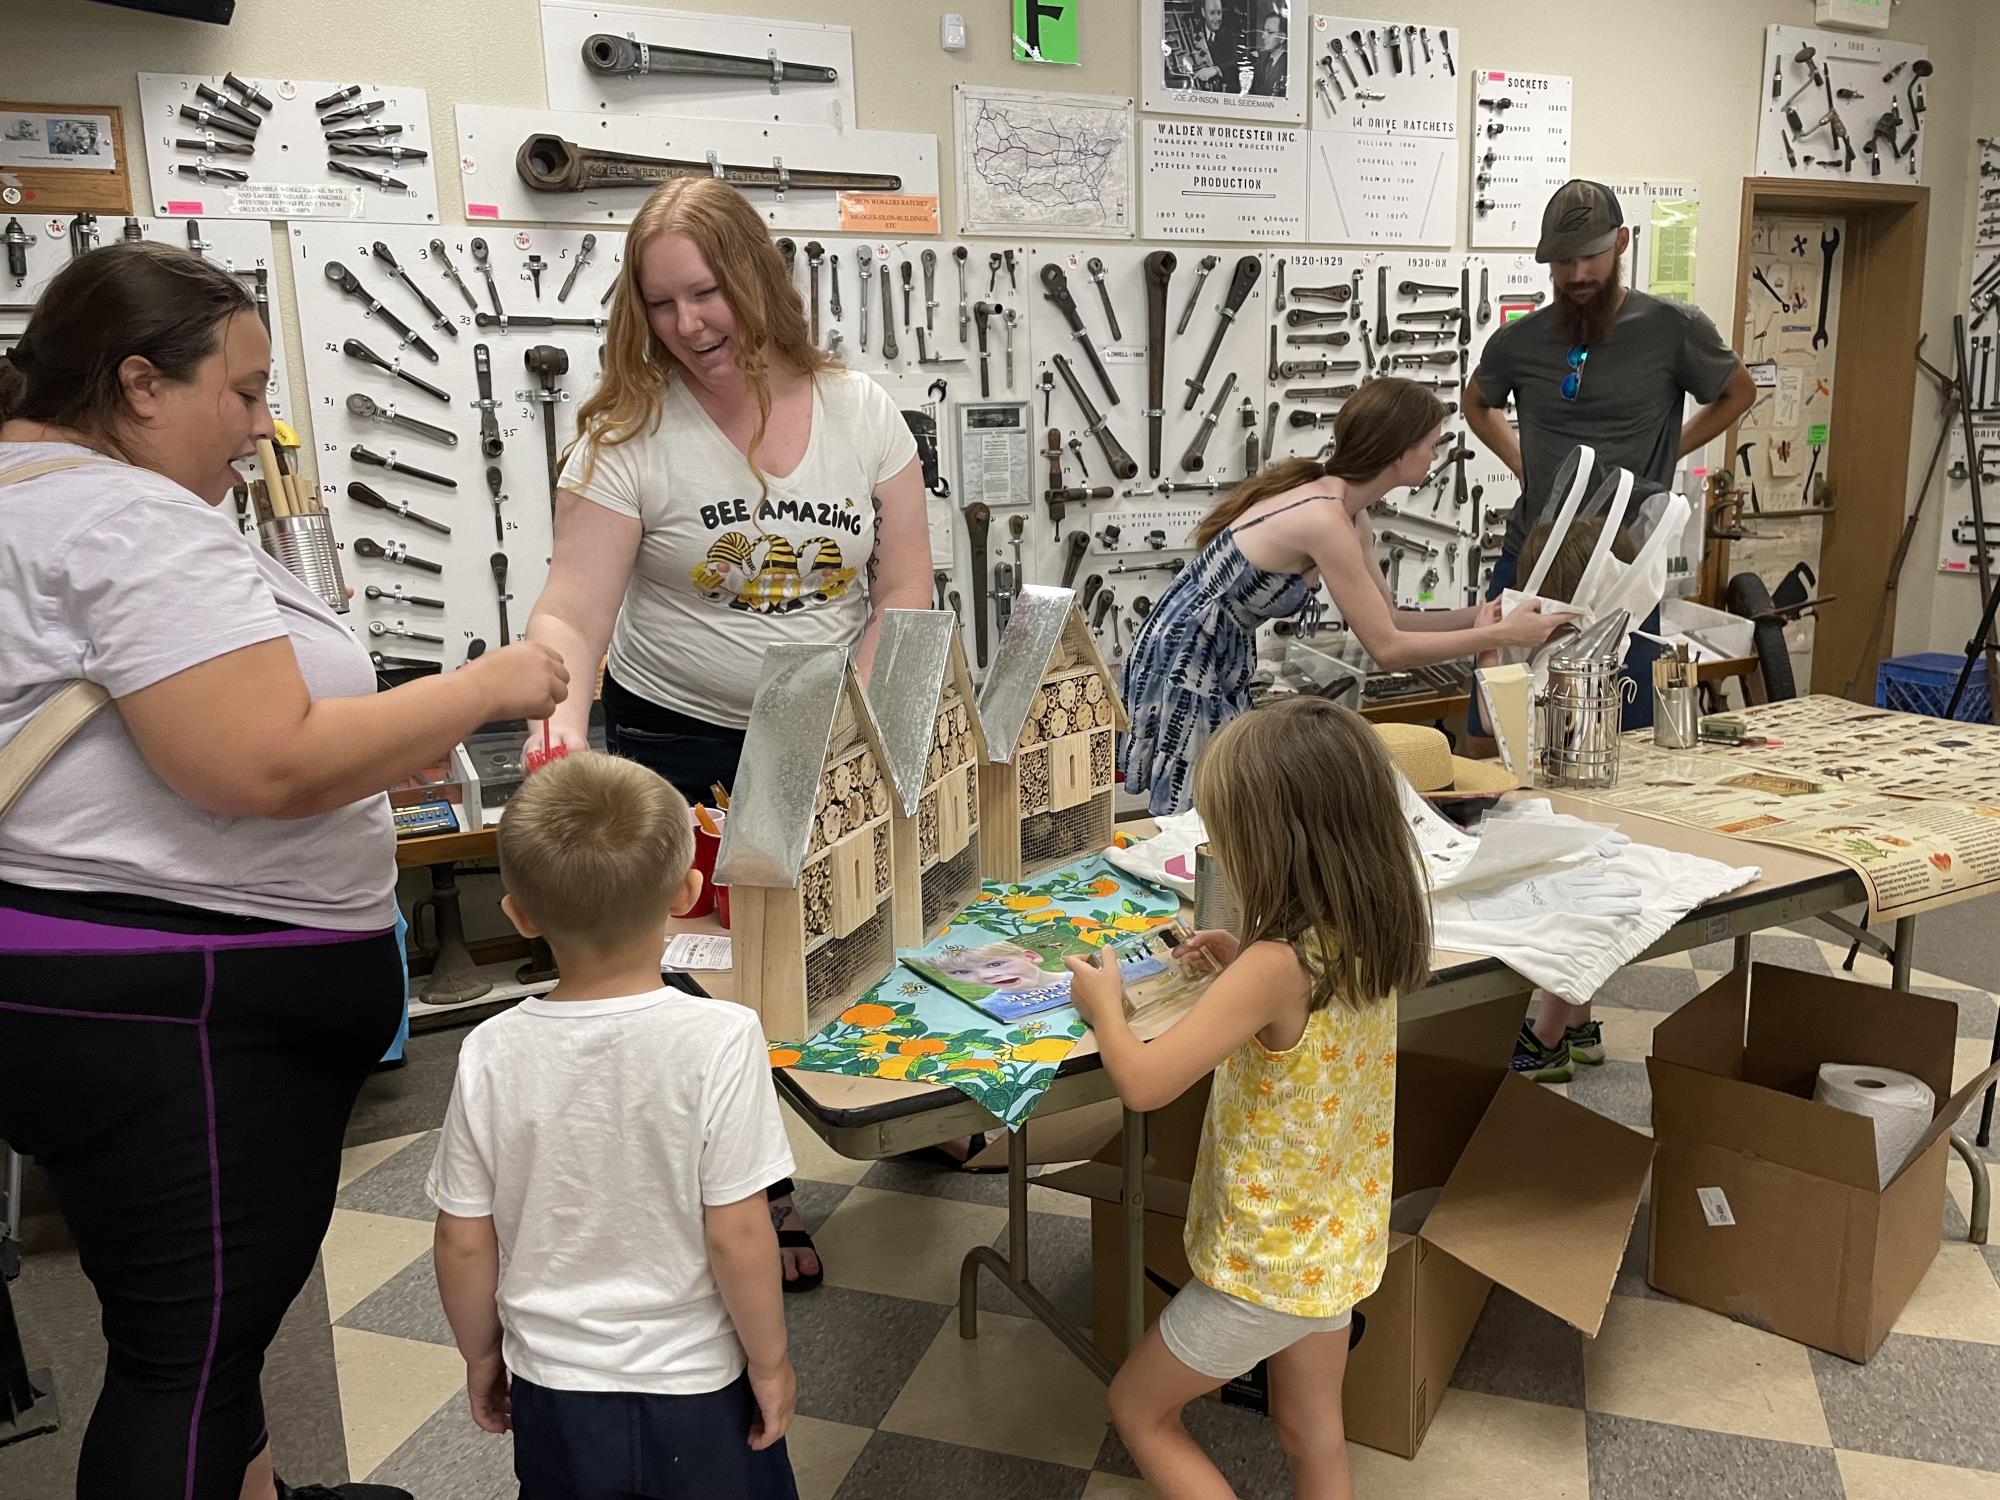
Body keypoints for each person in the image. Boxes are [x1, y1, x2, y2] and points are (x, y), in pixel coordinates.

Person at [0, 244, 567, 1500]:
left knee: (194, 1326)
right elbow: (259, 764)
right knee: (184, 1363)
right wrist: (476, 689)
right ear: (141, 383)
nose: (262, 429)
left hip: (102, 993)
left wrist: (367, 753)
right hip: (182, 1015)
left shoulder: (28, 489)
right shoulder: (126, 514)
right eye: (245, 394)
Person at [523, 177, 933, 1290]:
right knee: (714, 986)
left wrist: (853, 725)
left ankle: (909, 1112)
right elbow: (573, 606)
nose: (690, 325)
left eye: (707, 292)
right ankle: (756, 1197)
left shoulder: (861, 411)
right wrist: (557, 720)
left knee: (862, 936)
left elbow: (904, 589)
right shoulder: (626, 430)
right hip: (679, 742)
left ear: (758, 276)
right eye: (660, 305)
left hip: (834, 730)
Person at [1065, 697, 1430, 1500]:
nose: (1216, 844)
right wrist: (1239, 964)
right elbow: (1303, 1021)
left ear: (1275, 841)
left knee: (1139, 1409)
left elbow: (1144, 1082)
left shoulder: (1276, 964)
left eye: (1224, 828)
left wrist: (1105, 1011)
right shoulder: (1371, 928)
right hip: (1335, 1244)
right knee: (1312, 1434)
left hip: (1264, 1268)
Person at [429, 754, 798, 1499]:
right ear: (688, 892)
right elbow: (740, 1233)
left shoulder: (488, 1051)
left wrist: (479, 1356)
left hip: (554, 1387)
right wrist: (770, 1360)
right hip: (698, 1382)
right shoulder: (723, 1037)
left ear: (519, 916)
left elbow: (462, 1237)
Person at [1118, 377, 1572, 817]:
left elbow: (1390, 621)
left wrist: (1485, 616)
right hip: (1185, 651)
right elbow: (1388, 650)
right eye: (1431, 444)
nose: (1435, 456)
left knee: (1227, 800)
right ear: (1398, 451)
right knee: (1200, 807)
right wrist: (1499, 633)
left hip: (1217, 647)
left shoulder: (1351, 516)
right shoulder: (1325, 518)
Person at [1463, 178, 1754, 634]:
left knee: (1621, 703)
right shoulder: (1518, 342)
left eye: (1590, 256)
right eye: (1563, 260)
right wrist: (1523, 465)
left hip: (1624, 569)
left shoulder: (1674, 329)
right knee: (1507, 700)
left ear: (1621, 242)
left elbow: (1739, 392)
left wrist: (1670, 449)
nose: (1577, 274)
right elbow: (1477, 403)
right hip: (1533, 559)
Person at [1473, 515, 1656, 1083]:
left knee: (1563, 912)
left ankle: (1547, 1035)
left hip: (1555, 799)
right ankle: (1578, 1025)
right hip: (1599, 789)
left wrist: (1488, 649)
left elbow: (1492, 719)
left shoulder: (1557, 655)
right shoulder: (1610, 640)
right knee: (1584, 903)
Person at [1189, 0, 1247, 92]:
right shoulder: (1194, 34)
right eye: (1212, 13)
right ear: (1203, 12)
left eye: (1219, 13)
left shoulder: (1230, 35)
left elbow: (1236, 61)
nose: (1217, 18)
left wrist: (1216, 69)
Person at [1248, 8, 1288, 96]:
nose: (1263, 36)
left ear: (1283, 37)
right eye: (1264, 31)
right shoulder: (1262, 58)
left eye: (1269, 32)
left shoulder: (1289, 64)